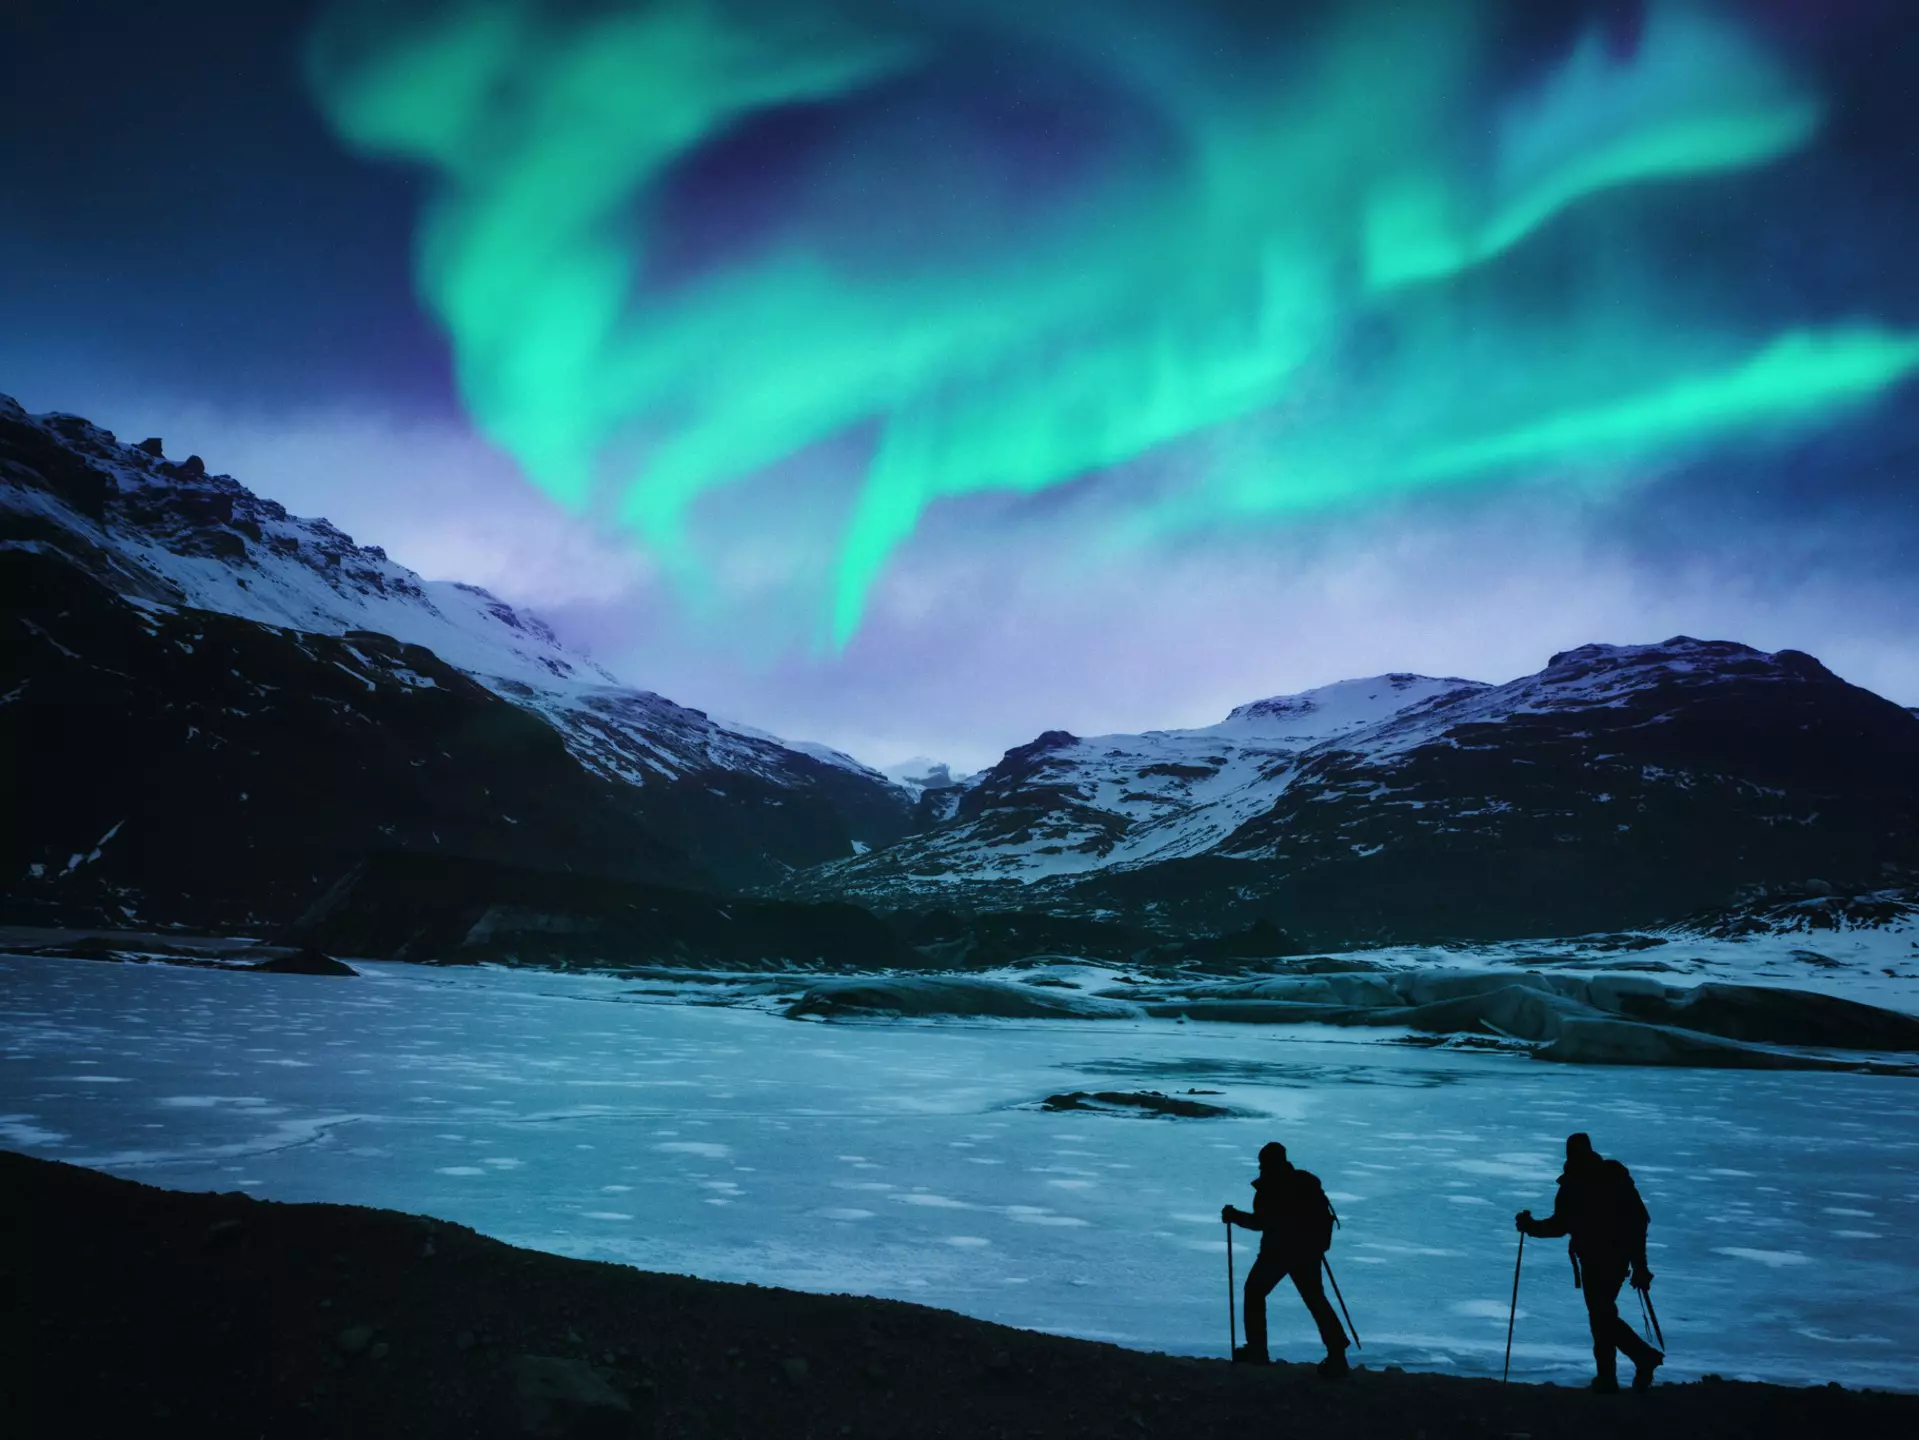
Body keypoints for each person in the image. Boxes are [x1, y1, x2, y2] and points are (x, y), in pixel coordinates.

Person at [1515, 1132, 1663, 1392]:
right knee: (1602, 1315)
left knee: (1601, 1315)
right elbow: (1638, 1222)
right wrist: (1640, 1264)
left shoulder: (1575, 1184)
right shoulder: (1614, 1177)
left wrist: (1530, 1227)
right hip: (1617, 1258)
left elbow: (1560, 1226)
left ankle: (1636, 1362)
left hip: (1595, 1259)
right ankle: (1610, 1376)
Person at [1222, 1141, 1350, 1377]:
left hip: (1278, 1252)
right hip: (1308, 1251)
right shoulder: (1305, 1183)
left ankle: (1258, 1351)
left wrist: (1234, 1216)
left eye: (1263, 1163)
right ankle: (1337, 1354)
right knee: (1315, 1299)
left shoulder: (1271, 1186)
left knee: (1254, 1291)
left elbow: (1260, 1222)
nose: (1261, 1168)